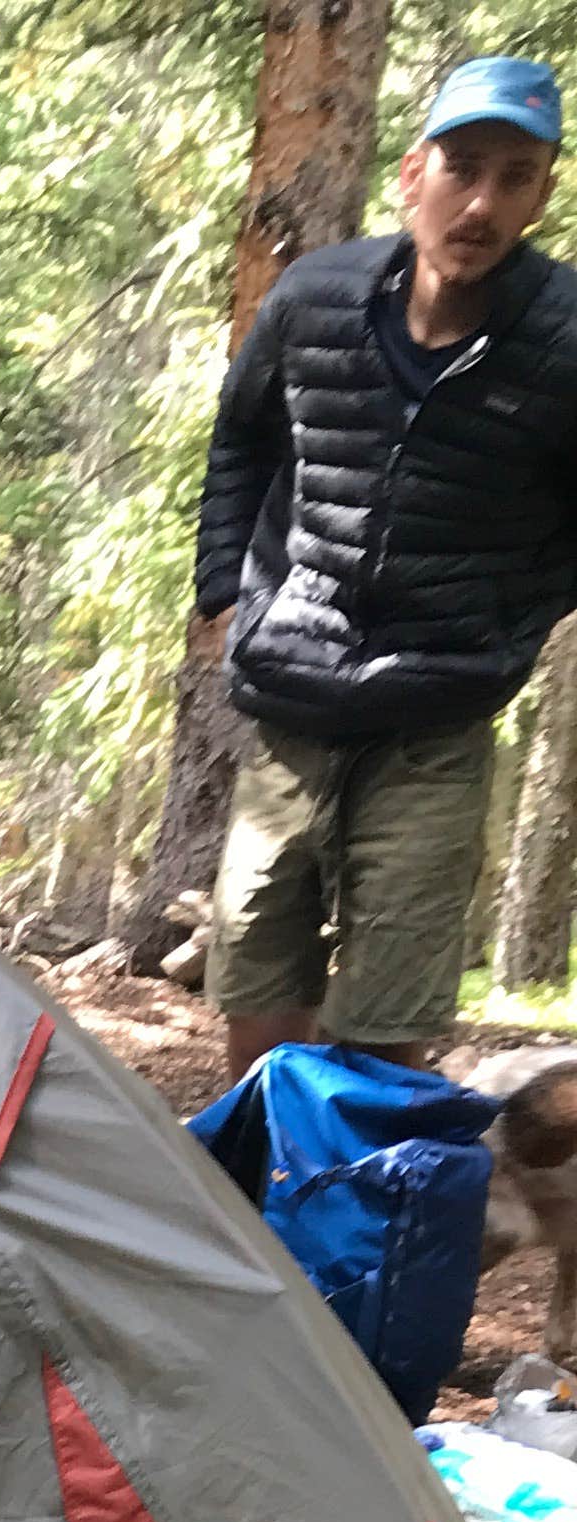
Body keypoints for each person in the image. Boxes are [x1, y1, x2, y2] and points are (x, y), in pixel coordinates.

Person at [195, 57, 577, 1076]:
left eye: (515, 176)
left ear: (544, 191)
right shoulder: (317, 298)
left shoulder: (565, 340)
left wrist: (509, 628)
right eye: (463, 168)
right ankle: (260, 1209)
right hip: (293, 704)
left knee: (388, 1012)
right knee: (256, 983)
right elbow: (240, 438)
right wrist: (223, 591)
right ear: (415, 174)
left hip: (433, 725)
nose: (482, 202)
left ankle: (355, 1221)